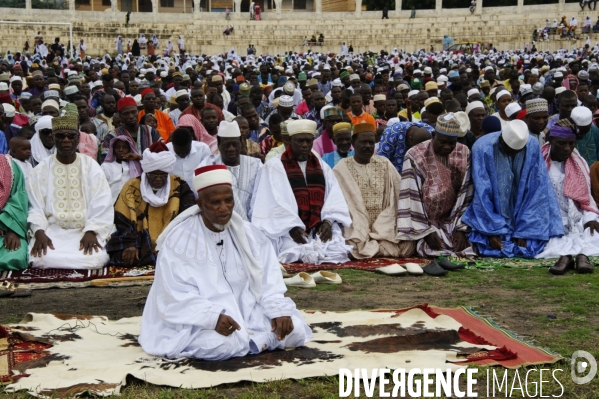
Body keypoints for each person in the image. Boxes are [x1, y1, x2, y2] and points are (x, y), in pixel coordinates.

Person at [138, 164, 312, 360]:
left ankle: (251, 341)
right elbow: (173, 295)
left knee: (295, 329)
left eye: (228, 201)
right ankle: (256, 342)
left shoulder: (250, 235)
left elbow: (269, 281)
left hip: (248, 312)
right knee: (221, 344)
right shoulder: (178, 241)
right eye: (215, 202)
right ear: (200, 203)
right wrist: (212, 318)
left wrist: (277, 310)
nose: (224, 208)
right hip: (198, 320)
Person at [251, 120, 353, 264]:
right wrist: (291, 228)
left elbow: (334, 197)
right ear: (290, 141)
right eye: (300, 141)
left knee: (335, 250)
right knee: (290, 251)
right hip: (285, 231)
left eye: (308, 141)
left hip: (317, 228)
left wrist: (328, 222)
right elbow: (269, 202)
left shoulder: (322, 166)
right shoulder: (274, 166)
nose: (305, 145)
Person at [462, 120, 564, 258]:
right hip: (491, 215)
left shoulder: (532, 145)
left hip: (523, 215)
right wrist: (492, 231)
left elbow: (536, 190)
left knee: (531, 244)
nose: (513, 155)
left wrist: (525, 230)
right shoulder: (482, 148)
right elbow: (482, 193)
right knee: (487, 242)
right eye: (510, 151)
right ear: (502, 141)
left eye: (518, 152)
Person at [27, 114, 114, 270]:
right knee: (41, 258)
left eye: (71, 136)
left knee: (95, 259)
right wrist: (39, 232)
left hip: (85, 230)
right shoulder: (40, 170)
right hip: (53, 231)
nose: (66, 140)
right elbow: (34, 206)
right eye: (60, 136)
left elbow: (102, 202)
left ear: (78, 138)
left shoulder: (91, 166)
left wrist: (92, 231)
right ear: (53, 138)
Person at [397, 114, 475, 259]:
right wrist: (425, 231)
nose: (447, 147)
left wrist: (461, 228)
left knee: (468, 246)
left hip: (453, 219)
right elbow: (410, 195)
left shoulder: (464, 152)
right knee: (427, 249)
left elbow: (467, 194)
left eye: (451, 143)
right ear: (433, 135)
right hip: (426, 220)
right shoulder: (415, 155)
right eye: (442, 141)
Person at [107, 142, 195, 267]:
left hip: (172, 240)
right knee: (120, 256)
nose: (158, 179)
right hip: (140, 240)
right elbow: (122, 216)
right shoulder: (132, 186)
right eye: (153, 175)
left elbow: (189, 215)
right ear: (147, 172)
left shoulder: (179, 184)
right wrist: (130, 244)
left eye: (162, 175)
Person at [333, 123, 414, 259]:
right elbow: (341, 203)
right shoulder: (341, 168)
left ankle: (377, 242)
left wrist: (382, 225)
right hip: (356, 225)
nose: (368, 146)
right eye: (363, 142)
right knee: (352, 245)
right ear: (353, 142)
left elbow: (398, 195)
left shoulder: (385, 163)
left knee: (408, 245)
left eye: (371, 142)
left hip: (385, 226)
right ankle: (371, 244)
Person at [536, 124, 598, 274]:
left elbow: (586, 198)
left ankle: (580, 257)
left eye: (571, 144)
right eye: (561, 143)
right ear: (550, 140)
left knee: (592, 233)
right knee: (551, 240)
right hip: (548, 217)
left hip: (577, 216)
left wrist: (591, 217)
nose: (567, 148)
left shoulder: (579, 163)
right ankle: (568, 258)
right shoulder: (539, 163)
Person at [198, 121, 262, 221]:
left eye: (235, 144)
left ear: (241, 141)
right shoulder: (207, 164)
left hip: (252, 224)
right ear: (218, 143)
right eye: (226, 145)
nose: (231, 149)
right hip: (218, 223)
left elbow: (261, 199)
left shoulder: (256, 165)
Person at [0, 153, 28, 271]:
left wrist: (13, 230)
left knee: (14, 257)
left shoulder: (9, 166)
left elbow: (18, 198)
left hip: (3, 228)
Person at [167, 127, 211, 199]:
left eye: (185, 152)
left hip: (199, 197)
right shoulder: (165, 152)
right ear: (172, 143)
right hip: (172, 197)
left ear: (191, 141)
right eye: (179, 152)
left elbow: (208, 176)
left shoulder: (203, 149)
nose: (182, 155)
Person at [101, 136, 142, 204]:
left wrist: (138, 157)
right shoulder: (106, 167)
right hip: (110, 203)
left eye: (125, 148)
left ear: (130, 149)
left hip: (131, 204)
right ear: (113, 149)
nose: (121, 150)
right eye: (117, 147)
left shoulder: (136, 167)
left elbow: (149, 168)